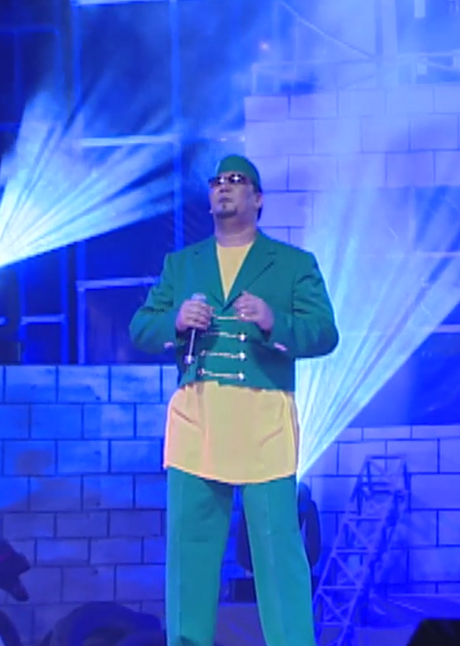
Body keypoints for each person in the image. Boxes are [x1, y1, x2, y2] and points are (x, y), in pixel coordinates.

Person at [129, 154, 339, 646]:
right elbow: (141, 327)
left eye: (236, 180)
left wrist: (273, 322)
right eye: (217, 181)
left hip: (263, 418)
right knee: (191, 552)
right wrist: (175, 321)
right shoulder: (182, 264)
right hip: (197, 417)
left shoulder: (293, 264)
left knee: (278, 551)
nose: (223, 187)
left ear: (258, 198)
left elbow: (325, 333)